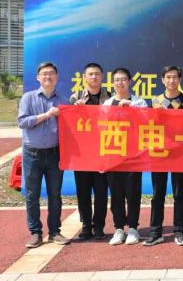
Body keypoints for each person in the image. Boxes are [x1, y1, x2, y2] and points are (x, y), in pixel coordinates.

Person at [18, 62, 71, 248]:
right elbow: (22, 122)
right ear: (38, 77)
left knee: (55, 194)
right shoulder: (28, 98)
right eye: (44, 74)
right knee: (32, 195)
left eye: (51, 73)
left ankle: (55, 231)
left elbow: (72, 127)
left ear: (57, 77)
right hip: (32, 154)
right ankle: (35, 232)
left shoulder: (64, 100)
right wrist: (47, 115)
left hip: (55, 154)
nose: (48, 77)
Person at [143, 66, 183, 247]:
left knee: (179, 193)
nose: (172, 80)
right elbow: (147, 125)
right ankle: (155, 231)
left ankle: (180, 231)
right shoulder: (154, 101)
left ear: (180, 79)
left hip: (180, 153)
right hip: (159, 152)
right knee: (158, 193)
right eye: (168, 77)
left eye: (175, 77)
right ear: (162, 80)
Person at [103, 67, 148, 245]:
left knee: (133, 192)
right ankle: (119, 228)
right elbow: (101, 128)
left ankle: (133, 228)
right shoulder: (107, 104)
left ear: (129, 82)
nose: (120, 83)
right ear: (112, 83)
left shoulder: (139, 102)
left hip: (133, 155)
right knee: (116, 194)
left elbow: (147, 120)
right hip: (113, 154)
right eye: (116, 80)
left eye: (123, 79)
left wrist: (132, 108)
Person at [70, 62, 111, 241]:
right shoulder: (75, 98)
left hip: (103, 153)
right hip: (82, 154)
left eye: (97, 74)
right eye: (90, 74)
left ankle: (99, 226)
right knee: (83, 192)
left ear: (102, 77)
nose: (94, 77)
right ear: (84, 77)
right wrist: (75, 109)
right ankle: (86, 226)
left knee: (101, 192)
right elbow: (68, 124)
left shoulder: (110, 97)